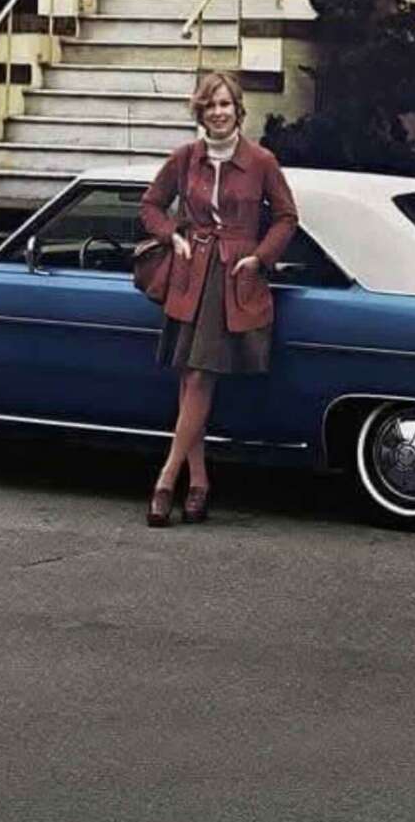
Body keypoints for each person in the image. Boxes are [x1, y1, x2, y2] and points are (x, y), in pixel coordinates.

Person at [139, 72, 298, 527]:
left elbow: (287, 217)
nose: (219, 113)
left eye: (226, 104)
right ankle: (201, 482)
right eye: (210, 106)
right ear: (200, 111)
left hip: (233, 278)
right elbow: (150, 206)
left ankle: (166, 480)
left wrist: (259, 258)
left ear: (239, 109)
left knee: (201, 377)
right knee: (191, 380)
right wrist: (174, 237)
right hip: (190, 274)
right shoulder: (186, 157)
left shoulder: (262, 161)